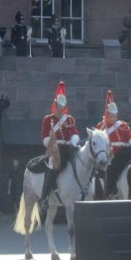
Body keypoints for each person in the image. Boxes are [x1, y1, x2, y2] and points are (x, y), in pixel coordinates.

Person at [38, 81, 80, 211]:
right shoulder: (47, 119)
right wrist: (51, 144)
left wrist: (74, 140)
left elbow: (74, 132)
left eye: (62, 106)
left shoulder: (69, 119)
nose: (60, 108)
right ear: (55, 105)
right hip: (55, 150)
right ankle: (44, 198)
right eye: (58, 105)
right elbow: (44, 136)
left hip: (67, 148)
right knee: (52, 167)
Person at [96, 90, 131, 198]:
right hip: (111, 154)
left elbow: (130, 135)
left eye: (115, 113)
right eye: (112, 114)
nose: (114, 116)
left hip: (126, 152)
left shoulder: (122, 124)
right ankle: (110, 189)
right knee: (112, 167)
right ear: (107, 113)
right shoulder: (101, 126)